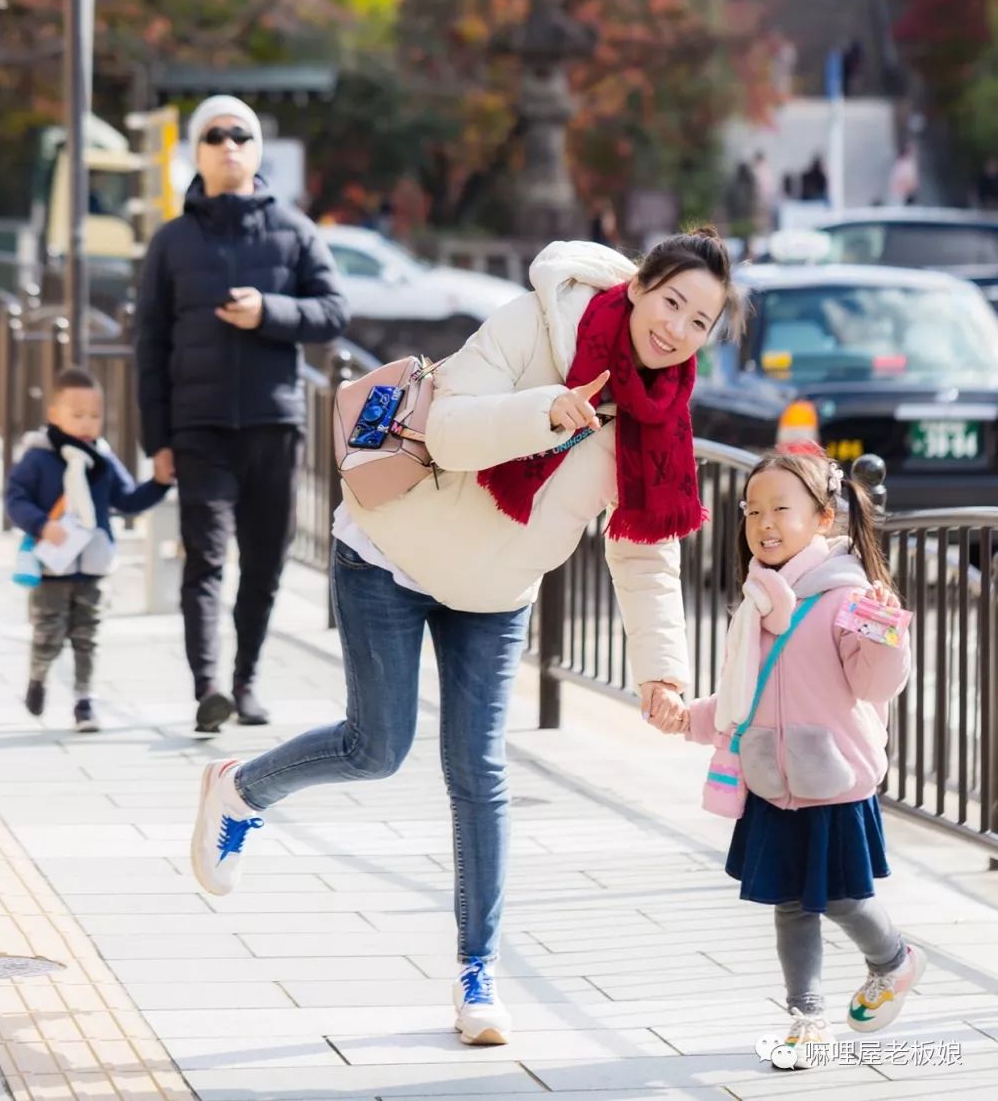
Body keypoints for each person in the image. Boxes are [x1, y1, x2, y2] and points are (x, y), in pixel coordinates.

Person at [188, 230, 744, 1046]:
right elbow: (445, 428)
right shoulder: (536, 322)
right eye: (672, 303)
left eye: (701, 321)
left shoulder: (659, 421)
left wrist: (661, 670)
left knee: (478, 772)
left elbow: (645, 549)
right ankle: (240, 788)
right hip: (390, 550)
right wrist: (545, 411)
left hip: (493, 592)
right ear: (637, 287)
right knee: (377, 746)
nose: (678, 329)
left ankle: (476, 971)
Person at [681, 450, 920, 1067]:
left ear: (821, 518)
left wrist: (888, 634)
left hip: (833, 782)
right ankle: (807, 1019)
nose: (763, 522)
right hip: (771, 779)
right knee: (790, 904)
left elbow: (874, 686)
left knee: (841, 899)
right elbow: (745, 694)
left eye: (780, 508)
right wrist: (689, 718)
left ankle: (893, 960)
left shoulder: (848, 595)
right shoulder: (760, 599)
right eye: (752, 509)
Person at [135, 96, 350, 734]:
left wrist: (271, 314)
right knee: (206, 557)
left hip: (274, 423)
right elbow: (150, 345)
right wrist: (157, 438)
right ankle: (207, 688)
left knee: (264, 560)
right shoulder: (171, 242)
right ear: (195, 154)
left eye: (241, 135)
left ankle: (245, 681)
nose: (229, 144)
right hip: (198, 426)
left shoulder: (294, 230)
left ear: (256, 151)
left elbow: (335, 311)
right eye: (214, 135)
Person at [6, 366, 170, 732]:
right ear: (54, 415)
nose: (86, 423)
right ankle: (38, 677)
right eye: (76, 415)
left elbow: (126, 501)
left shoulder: (104, 462)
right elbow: (15, 498)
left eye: (94, 416)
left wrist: (159, 484)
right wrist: (40, 524)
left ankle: (84, 701)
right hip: (52, 568)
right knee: (47, 632)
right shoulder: (38, 457)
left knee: (87, 636)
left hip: (94, 566)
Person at [886, 141, 919, 207]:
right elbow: (903, 179)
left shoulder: (908, 163)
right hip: (901, 194)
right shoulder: (904, 164)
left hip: (907, 194)